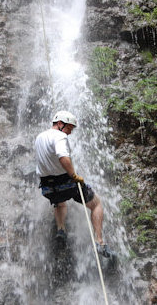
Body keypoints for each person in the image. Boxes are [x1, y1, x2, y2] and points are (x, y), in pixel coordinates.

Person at [35, 110, 113, 258]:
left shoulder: (39, 137)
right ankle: (100, 242)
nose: (70, 133)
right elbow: (63, 157)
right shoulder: (60, 136)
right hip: (66, 183)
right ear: (60, 124)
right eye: (69, 128)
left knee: (59, 202)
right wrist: (74, 175)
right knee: (96, 204)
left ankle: (61, 230)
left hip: (48, 188)